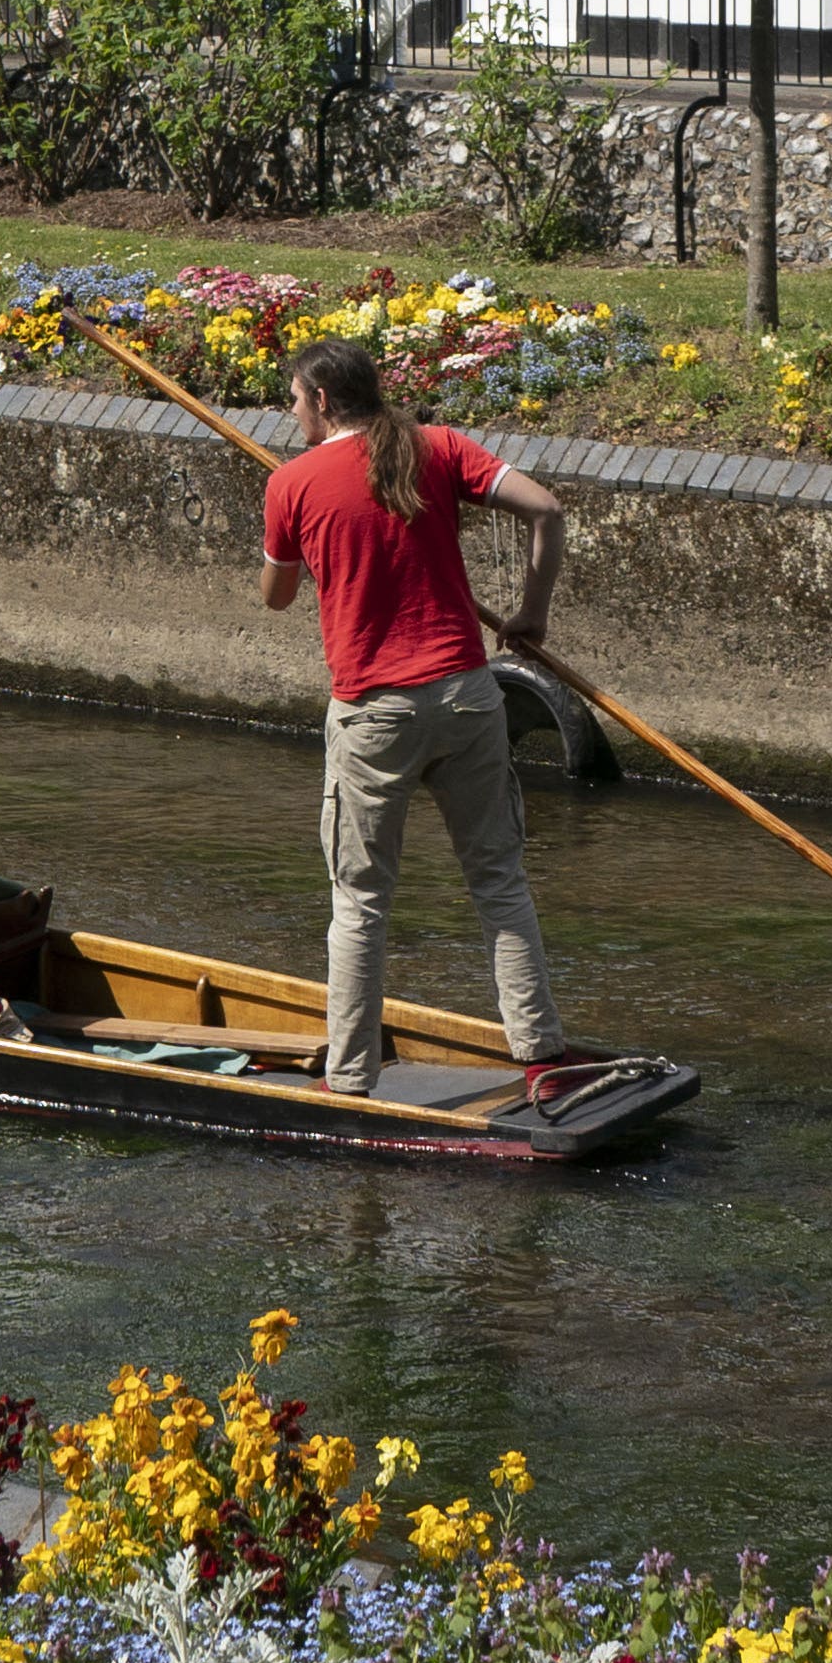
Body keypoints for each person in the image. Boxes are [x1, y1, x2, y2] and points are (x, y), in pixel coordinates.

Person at [256, 337, 583, 1097]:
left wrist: (298, 535)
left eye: (294, 400)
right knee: (498, 879)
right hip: (469, 696)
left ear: (323, 400)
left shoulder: (291, 483)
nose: (291, 412)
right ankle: (541, 1055)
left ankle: (348, 1079)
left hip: (373, 713)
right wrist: (531, 616)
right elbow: (546, 509)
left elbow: (276, 598)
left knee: (361, 903)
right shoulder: (438, 447)